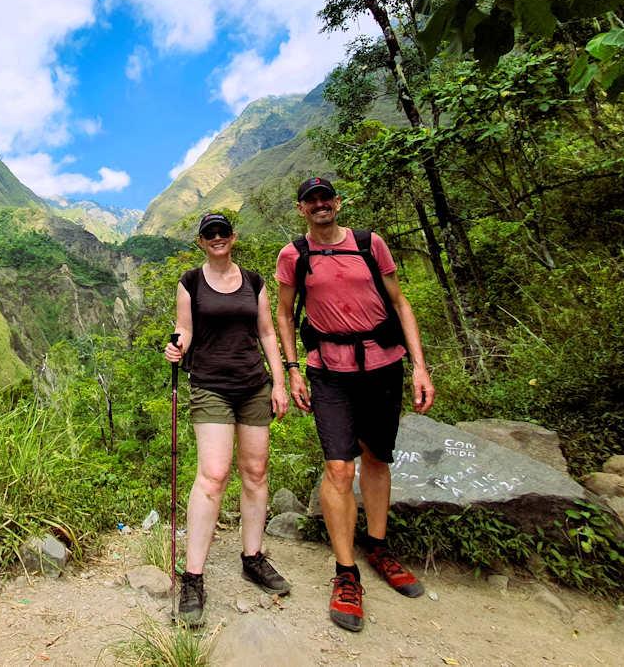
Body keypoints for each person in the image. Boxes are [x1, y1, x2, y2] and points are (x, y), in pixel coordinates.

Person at [274, 177, 435, 633]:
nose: (320, 205)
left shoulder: (370, 244)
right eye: (311, 200)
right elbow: (284, 314)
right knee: (339, 468)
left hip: (384, 364)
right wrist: (292, 368)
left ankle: (379, 546)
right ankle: (346, 572)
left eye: (326, 198)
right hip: (328, 370)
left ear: (337, 203)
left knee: (377, 457)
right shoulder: (294, 255)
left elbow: (400, 304)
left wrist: (420, 366)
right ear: (302, 209)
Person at [164, 212, 292, 626]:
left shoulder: (254, 282)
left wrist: (279, 382)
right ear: (201, 242)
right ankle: (193, 576)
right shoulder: (190, 282)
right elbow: (185, 328)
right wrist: (175, 347)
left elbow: (267, 333)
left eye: (222, 232)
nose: (217, 238)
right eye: (209, 234)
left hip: (253, 384)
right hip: (210, 385)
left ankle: (253, 557)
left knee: (255, 471)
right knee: (214, 475)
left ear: (233, 237)